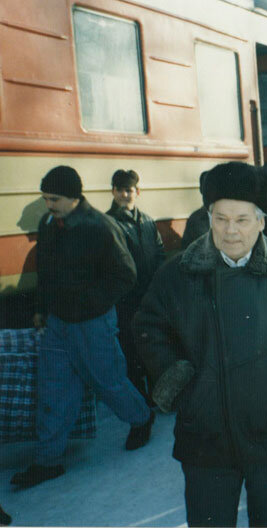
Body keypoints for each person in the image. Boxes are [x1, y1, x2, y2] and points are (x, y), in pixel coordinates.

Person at [134, 161, 267, 528]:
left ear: (261, 222)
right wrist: (177, 380)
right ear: (208, 217)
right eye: (220, 218)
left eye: (241, 220)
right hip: (206, 438)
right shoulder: (178, 275)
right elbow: (148, 327)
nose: (230, 230)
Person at [11, 166, 153, 490]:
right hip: (58, 323)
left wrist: (89, 304)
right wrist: (40, 310)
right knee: (54, 388)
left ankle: (142, 418)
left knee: (108, 381)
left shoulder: (100, 227)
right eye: (46, 198)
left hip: (92, 323)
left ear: (74, 197)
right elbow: (44, 272)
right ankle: (48, 461)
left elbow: (125, 274)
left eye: (55, 199)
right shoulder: (49, 224)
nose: (49, 205)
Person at [106, 169, 165, 405]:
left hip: (149, 298)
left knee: (152, 346)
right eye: (119, 189)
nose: (124, 194)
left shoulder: (148, 220)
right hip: (125, 300)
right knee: (130, 352)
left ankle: (157, 397)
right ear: (112, 191)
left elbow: (159, 253)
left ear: (137, 192)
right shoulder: (108, 223)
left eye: (128, 190)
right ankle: (139, 402)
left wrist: (159, 286)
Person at [181, 171, 211, 250]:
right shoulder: (195, 219)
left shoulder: (229, 215)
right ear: (201, 189)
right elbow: (185, 250)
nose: (209, 192)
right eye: (205, 187)